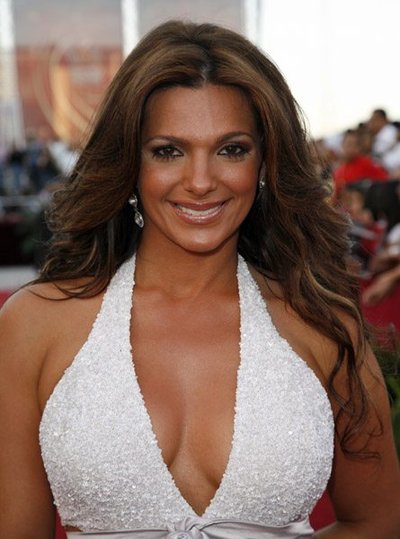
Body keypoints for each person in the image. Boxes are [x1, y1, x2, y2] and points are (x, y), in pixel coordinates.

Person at [0, 20, 399, 539]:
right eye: (168, 150)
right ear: (130, 165)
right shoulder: (34, 326)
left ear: (264, 164)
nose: (201, 181)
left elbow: (379, 521)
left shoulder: (324, 325)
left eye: (231, 149)